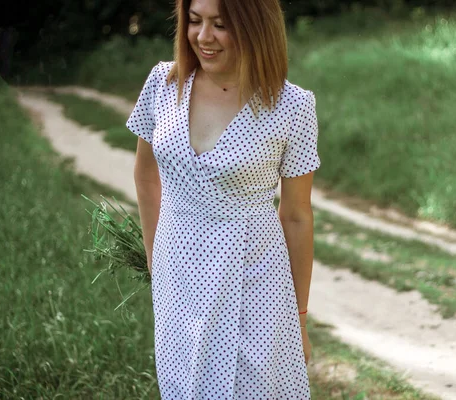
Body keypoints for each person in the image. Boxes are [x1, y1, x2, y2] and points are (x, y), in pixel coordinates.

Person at [126, 0, 320, 397]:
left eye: (221, 24)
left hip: (254, 281)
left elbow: (297, 215)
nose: (203, 36)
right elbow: (147, 176)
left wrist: (298, 318)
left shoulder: (292, 106)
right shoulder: (163, 83)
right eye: (195, 21)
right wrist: (154, 260)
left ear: (255, 26)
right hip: (177, 279)